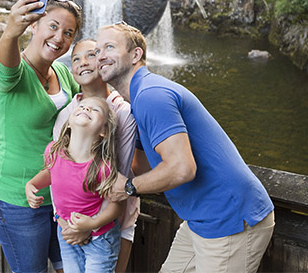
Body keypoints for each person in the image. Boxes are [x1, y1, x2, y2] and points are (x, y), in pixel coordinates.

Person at [96, 22, 274, 272]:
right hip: (200, 219)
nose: (100, 55)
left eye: (109, 47)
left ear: (135, 54)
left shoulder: (151, 95)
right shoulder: (138, 100)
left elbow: (182, 168)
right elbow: (143, 167)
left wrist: (127, 188)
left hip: (229, 220)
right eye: (97, 50)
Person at [0, 0, 84, 272]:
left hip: (60, 196)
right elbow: (6, 58)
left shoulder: (63, 73)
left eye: (68, 33)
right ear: (33, 24)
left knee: (70, 268)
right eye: (52, 26)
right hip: (18, 199)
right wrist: (10, 31)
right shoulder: (14, 75)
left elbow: (91, 103)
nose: (59, 38)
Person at [51, 39, 143, 272]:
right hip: (70, 222)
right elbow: (57, 174)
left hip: (114, 220)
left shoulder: (123, 112)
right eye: (76, 59)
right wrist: (67, 222)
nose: (83, 63)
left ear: (103, 60)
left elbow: (118, 177)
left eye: (91, 55)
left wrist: (92, 225)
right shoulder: (67, 116)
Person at [27, 97, 126, 273]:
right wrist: (32, 184)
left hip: (99, 239)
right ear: (69, 123)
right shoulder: (54, 151)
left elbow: (117, 205)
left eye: (95, 110)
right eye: (82, 106)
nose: (86, 109)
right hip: (65, 231)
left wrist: (92, 223)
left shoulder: (103, 167)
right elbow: (51, 173)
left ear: (104, 130)